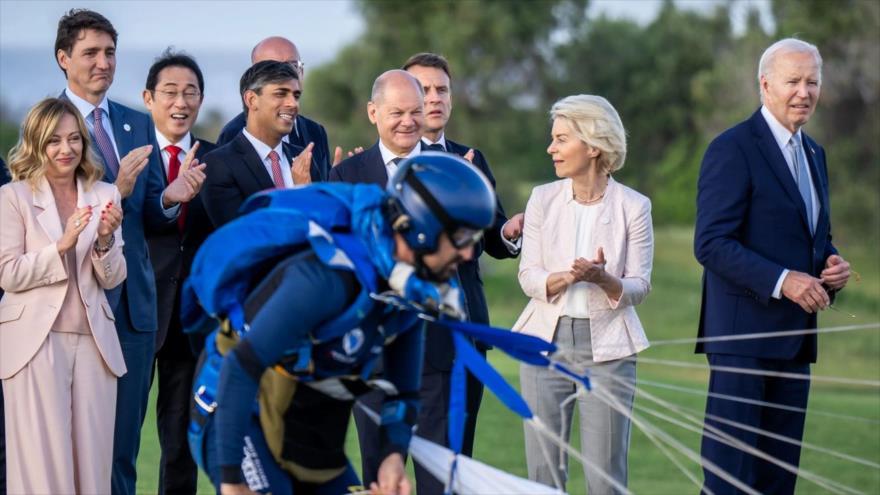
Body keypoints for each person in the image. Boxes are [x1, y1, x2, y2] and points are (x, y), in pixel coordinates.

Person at [188, 153, 497, 495]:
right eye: (462, 237)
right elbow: (241, 366)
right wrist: (232, 480)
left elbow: (403, 393)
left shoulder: (408, 295)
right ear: (423, 228)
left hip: (309, 432)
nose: (469, 253)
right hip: (237, 415)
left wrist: (393, 457)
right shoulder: (326, 278)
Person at [53, 10, 205, 493]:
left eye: (110, 53)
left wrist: (170, 196)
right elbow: (44, 217)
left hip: (136, 310)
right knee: (72, 443)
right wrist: (112, 191)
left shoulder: (136, 123)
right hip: (73, 307)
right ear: (63, 59)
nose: (103, 63)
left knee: (123, 448)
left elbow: (150, 214)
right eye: (91, 53)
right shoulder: (44, 123)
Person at [694, 38, 850, 494]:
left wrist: (831, 264)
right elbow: (711, 243)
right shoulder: (732, 148)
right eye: (793, 81)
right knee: (730, 480)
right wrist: (784, 281)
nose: (804, 92)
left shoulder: (815, 153)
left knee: (778, 482)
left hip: (795, 343)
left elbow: (811, 236)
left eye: (812, 82)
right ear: (765, 85)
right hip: (743, 342)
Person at [513, 94, 653, 494]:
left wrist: (602, 279)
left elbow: (640, 285)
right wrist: (570, 277)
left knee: (606, 476)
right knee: (543, 475)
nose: (550, 148)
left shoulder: (634, 206)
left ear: (592, 146)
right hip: (543, 344)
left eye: (560, 139)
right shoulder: (542, 198)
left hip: (608, 350)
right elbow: (528, 276)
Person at [0, 97, 126, 494]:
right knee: (41, 468)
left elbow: (112, 279)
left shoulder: (106, 193)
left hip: (94, 345)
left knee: (92, 467)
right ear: (37, 143)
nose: (66, 149)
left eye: (74, 139)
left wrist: (105, 240)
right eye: (54, 141)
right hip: (34, 346)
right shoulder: (12, 197)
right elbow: (8, 273)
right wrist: (62, 245)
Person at [142, 48, 215, 495]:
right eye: (169, 92)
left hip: (189, 320)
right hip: (133, 312)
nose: (180, 102)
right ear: (148, 97)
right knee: (116, 435)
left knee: (179, 444)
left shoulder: (216, 159)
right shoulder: (130, 156)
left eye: (190, 93)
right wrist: (169, 197)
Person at [202, 60, 317, 228]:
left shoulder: (304, 159)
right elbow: (243, 235)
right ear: (251, 100)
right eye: (280, 94)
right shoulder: (218, 164)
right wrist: (300, 193)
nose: (293, 104)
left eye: (296, 95)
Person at [217, 36, 332, 177]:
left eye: (292, 66)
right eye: (271, 68)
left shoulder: (315, 131)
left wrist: (336, 181)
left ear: (301, 72)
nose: (285, 74)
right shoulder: (232, 134)